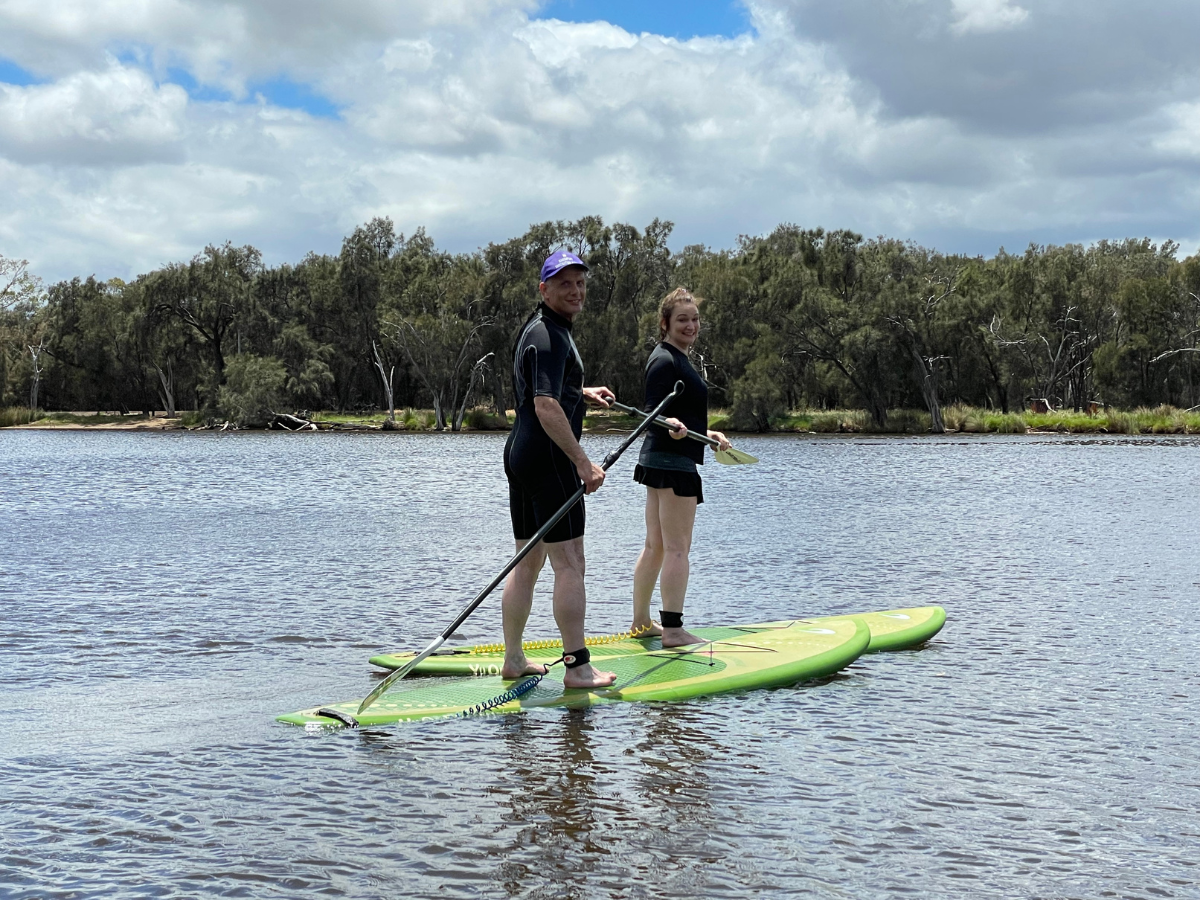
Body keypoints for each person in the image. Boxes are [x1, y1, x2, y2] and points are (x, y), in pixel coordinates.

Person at [500, 250, 618, 689]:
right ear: (543, 288)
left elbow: (547, 388)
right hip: (548, 459)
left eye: (580, 283)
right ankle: (578, 668)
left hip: (521, 455)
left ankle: (513, 659)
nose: (575, 291)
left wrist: (579, 390)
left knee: (527, 561)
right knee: (570, 564)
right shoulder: (550, 335)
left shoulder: (540, 330)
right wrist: (583, 463)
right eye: (564, 283)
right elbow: (545, 405)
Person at [630, 288, 731, 647]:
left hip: (664, 458)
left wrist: (706, 434)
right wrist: (670, 424)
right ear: (665, 323)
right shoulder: (665, 360)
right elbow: (653, 413)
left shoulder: (678, 358)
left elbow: (678, 417)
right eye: (682, 319)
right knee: (676, 549)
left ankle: (641, 622)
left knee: (656, 546)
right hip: (671, 463)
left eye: (694, 319)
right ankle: (673, 630)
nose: (691, 325)